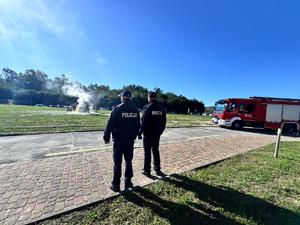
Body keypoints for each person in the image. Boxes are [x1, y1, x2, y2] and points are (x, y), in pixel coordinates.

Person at [103, 90, 140, 192]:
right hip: (129, 141)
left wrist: (106, 136)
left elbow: (110, 124)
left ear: (122, 97)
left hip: (119, 141)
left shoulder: (117, 109)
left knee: (117, 163)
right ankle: (128, 182)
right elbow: (138, 126)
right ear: (130, 97)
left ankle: (116, 184)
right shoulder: (135, 110)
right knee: (128, 161)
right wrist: (135, 136)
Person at [139, 91, 167, 177]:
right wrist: (160, 131)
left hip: (148, 134)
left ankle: (147, 170)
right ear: (155, 97)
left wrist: (139, 133)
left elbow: (143, 122)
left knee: (147, 153)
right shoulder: (161, 108)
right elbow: (164, 122)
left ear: (149, 97)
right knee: (155, 150)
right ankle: (157, 169)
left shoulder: (148, 108)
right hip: (156, 134)